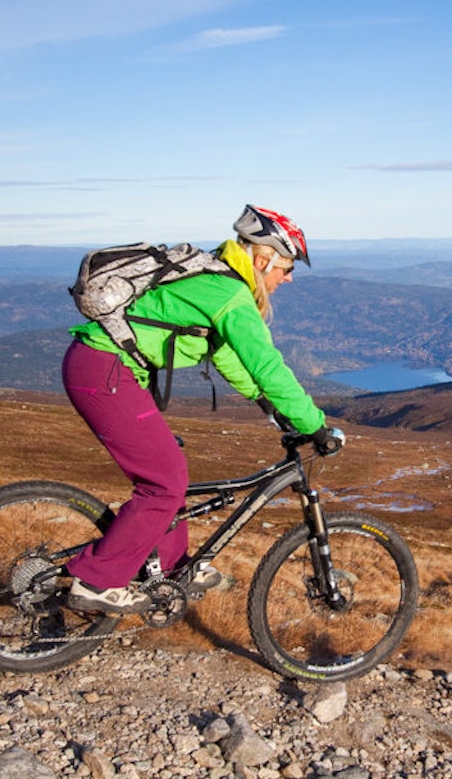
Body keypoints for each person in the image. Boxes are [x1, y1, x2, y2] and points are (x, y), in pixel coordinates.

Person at [61, 205, 343, 615]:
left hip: (107, 370)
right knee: (164, 482)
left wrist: (270, 408)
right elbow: (267, 364)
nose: (289, 276)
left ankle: (174, 571)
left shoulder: (217, 279)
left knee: (171, 469)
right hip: (105, 373)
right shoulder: (229, 293)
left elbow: (229, 357)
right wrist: (315, 425)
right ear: (262, 259)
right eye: (286, 266)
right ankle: (97, 581)